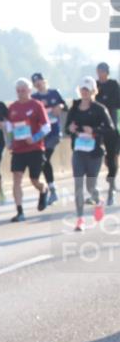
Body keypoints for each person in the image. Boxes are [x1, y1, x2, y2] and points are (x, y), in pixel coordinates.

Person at [67, 77, 114, 231]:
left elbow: (110, 128)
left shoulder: (99, 109)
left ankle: (98, 200)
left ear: (93, 91)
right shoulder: (74, 108)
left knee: (90, 186)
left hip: (94, 153)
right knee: (78, 185)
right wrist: (71, 129)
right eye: (82, 89)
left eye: (87, 89)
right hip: (79, 151)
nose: (84, 92)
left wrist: (93, 131)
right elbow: (66, 128)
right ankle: (80, 220)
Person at [6, 78, 51, 222]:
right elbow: (9, 127)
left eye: (23, 90)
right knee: (16, 179)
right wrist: (9, 141)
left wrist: (35, 137)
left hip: (35, 148)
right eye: (18, 91)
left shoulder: (36, 105)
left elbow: (46, 127)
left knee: (34, 180)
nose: (20, 93)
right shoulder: (12, 107)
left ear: (29, 90)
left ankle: (43, 190)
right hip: (18, 150)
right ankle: (20, 212)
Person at [30, 73, 67, 205]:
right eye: (35, 82)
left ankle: (52, 190)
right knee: (44, 160)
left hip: (54, 133)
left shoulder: (54, 93)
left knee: (44, 157)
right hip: (41, 135)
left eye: (39, 81)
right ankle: (52, 189)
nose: (38, 84)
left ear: (44, 81)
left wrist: (60, 107)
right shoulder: (33, 98)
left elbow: (65, 106)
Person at [93, 63, 120, 205]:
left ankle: (112, 184)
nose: (100, 73)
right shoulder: (95, 85)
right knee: (99, 155)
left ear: (107, 72)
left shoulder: (113, 84)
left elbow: (116, 103)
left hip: (111, 124)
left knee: (113, 155)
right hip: (97, 125)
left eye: (102, 71)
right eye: (98, 71)